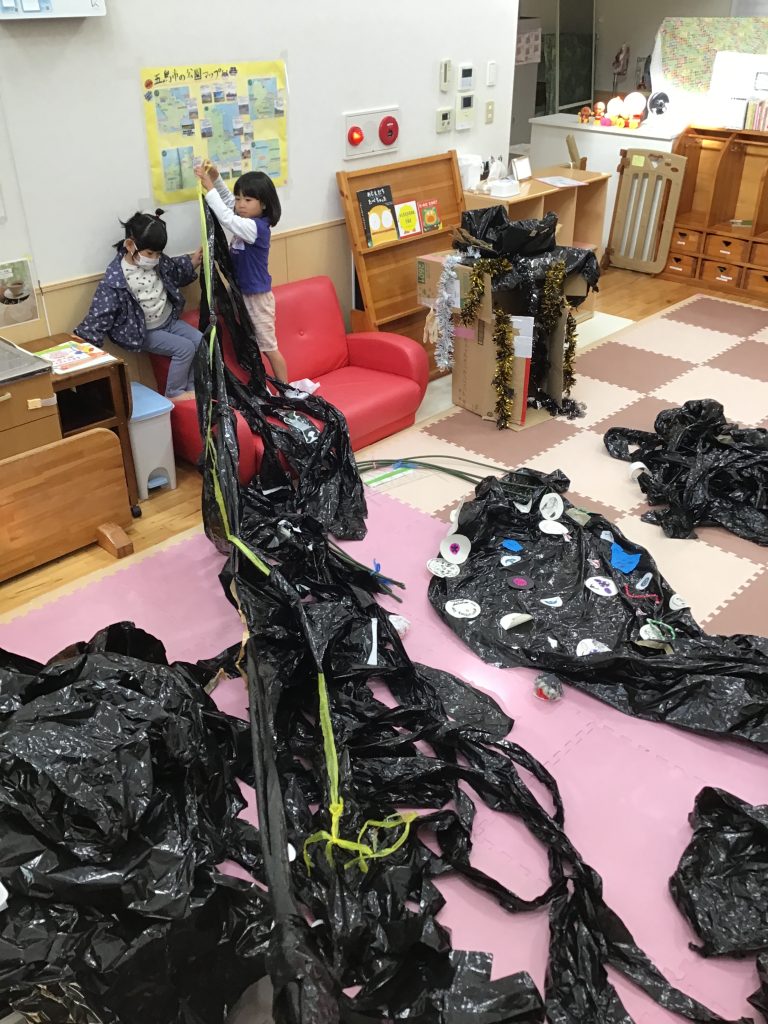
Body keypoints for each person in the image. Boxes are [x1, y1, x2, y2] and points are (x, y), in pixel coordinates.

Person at [74, 210, 203, 401]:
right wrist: (82, 342)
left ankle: (192, 388)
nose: (154, 258)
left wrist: (192, 263)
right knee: (184, 348)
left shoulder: (158, 263)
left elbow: (175, 272)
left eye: (158, 253)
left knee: (200, 340)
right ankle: (174, 393)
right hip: (144, 332)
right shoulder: (115, 280)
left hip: (168, 320)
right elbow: (101, 313)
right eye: (149, 253)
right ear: (129, 245)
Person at [195, 162, 287, 383]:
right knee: (250, 342)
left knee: (268, 346)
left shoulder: (256, 228)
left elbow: (227, 218)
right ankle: (260, 384)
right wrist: (216, 179)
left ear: (263, 204)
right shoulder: (246, 220)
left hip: (257, 297)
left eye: (248, 200)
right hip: (241, 294)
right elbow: (230, 204)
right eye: (239, 199)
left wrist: (210, 188)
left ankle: (288, 389)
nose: (241, 204)